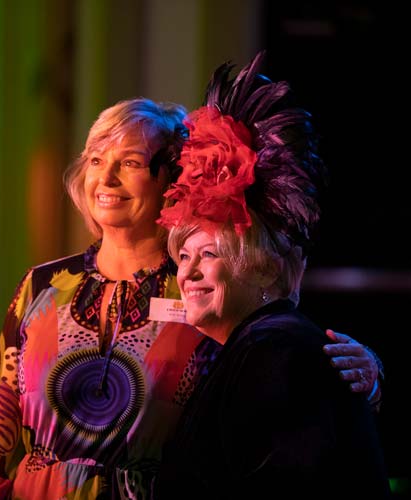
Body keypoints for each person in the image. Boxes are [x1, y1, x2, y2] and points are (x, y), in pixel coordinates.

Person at [0, 92, 382, 498]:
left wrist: (366, 371)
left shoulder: (203, 287)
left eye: (130, 162)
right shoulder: (43, 284)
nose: (106, 178)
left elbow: (282, 362)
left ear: (173, 180)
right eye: (96, 160)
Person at [154, 53, 391, 499]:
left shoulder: (274, 350)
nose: (188, 272)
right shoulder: (258, 344)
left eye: (210, 253)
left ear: (263, 268)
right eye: (183, 256)